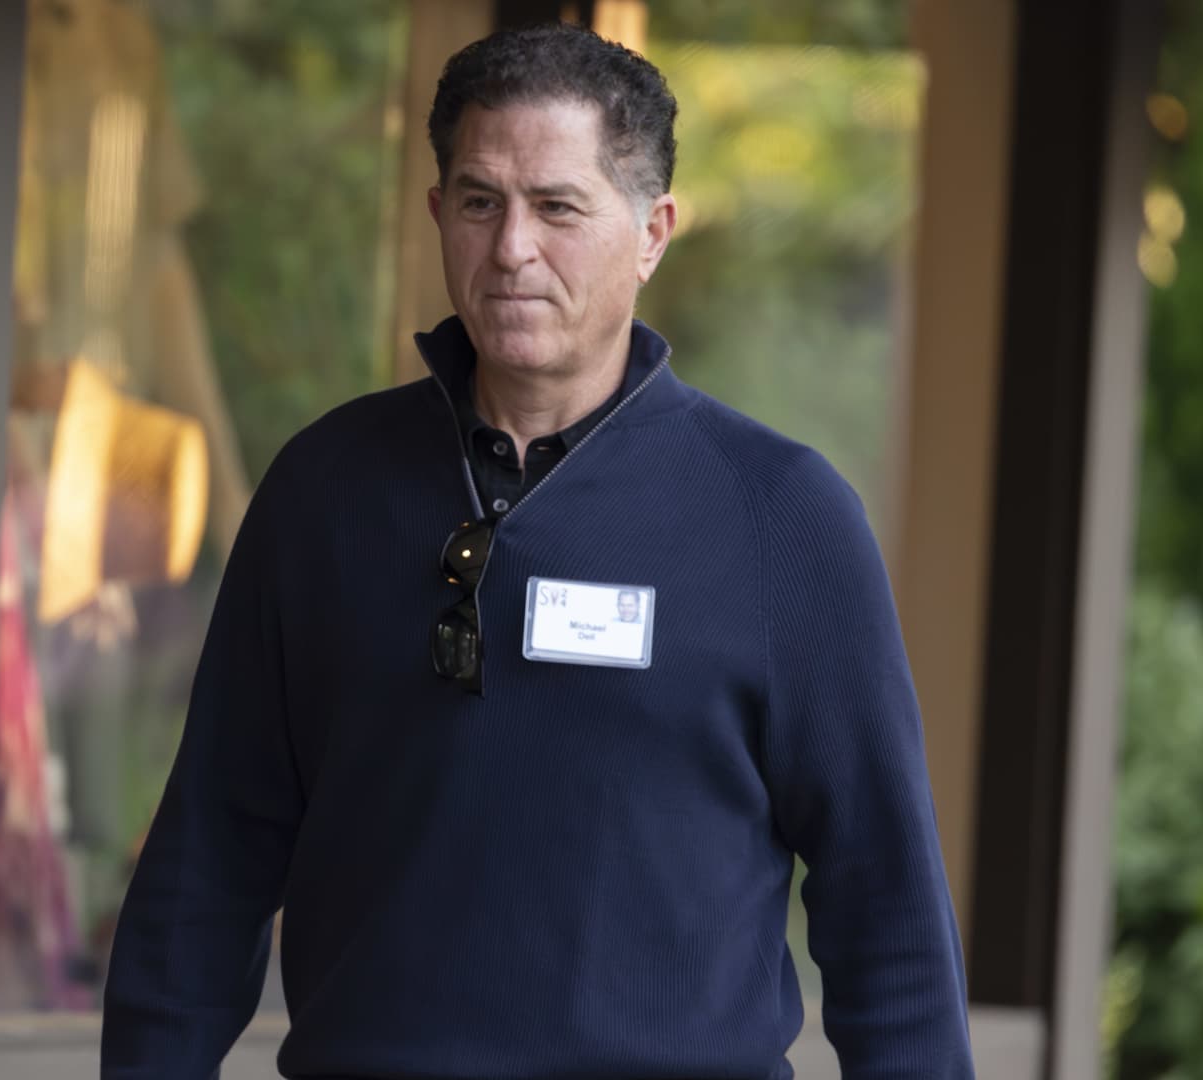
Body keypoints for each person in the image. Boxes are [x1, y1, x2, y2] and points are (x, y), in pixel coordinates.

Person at [103, 22, 974, 1079]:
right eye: (481, 202)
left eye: (558, 207)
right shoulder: (323, 492)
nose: (513, 247)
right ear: (438, 214)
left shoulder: (781, 519)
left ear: (652, 233)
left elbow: (888, 916)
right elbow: (208, 864)